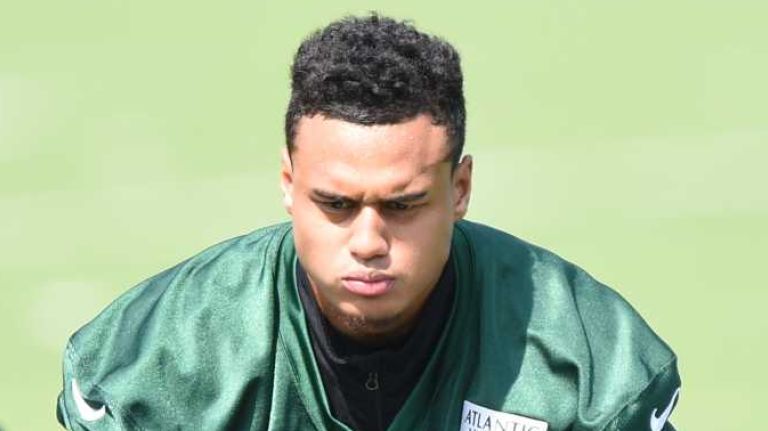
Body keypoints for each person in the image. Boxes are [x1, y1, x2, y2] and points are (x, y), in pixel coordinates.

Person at [56, 14, 681, 431]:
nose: (367, 242)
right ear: (287, 184)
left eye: (402, 205)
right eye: (336, 204)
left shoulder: (581, 364)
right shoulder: (165, 360)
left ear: (459, 189)